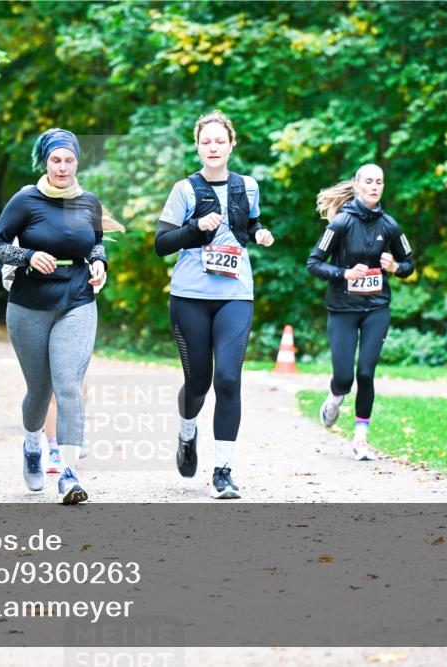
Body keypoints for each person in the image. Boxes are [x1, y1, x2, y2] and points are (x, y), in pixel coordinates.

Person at [154, 110, 274, 500]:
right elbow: (161, 244)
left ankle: (223, 472)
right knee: (199, 381)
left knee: (228, 378)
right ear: (197, 146)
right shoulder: (184, 190)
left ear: (231, 144)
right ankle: (187, 434)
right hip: (190, 296)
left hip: (236, 294)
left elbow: (250, 224)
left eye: (219, 141)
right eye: (206, 141)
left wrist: (261, 233)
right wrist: (194, 228)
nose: (213, 147)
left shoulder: (247, 186)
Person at [0, 128, 107, 504]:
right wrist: (27, 256)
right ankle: (32, 443)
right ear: (46, 161)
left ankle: (69, 475)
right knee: (40, 391)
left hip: (78, 298)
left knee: (68, 384)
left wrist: (100, 262)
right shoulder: (26, 200)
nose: (63, 167)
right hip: (29, 303)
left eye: (69, 160)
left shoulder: (88, 202)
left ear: (77, 162)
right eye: (56, 160)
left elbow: (96, 241)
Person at [306, 163, 415, 460]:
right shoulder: (341, 223)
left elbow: (409, 264)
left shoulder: (390, 225)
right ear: (357, 185)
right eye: (368, 181)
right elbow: (314, 263)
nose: (374, 186)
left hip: (376, 308)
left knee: (365, 373)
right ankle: (333, 399)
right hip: (342, 309)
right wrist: (344, 274)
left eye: (379, 181)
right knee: (344, 377)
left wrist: (395, 267)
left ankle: (361, 439)